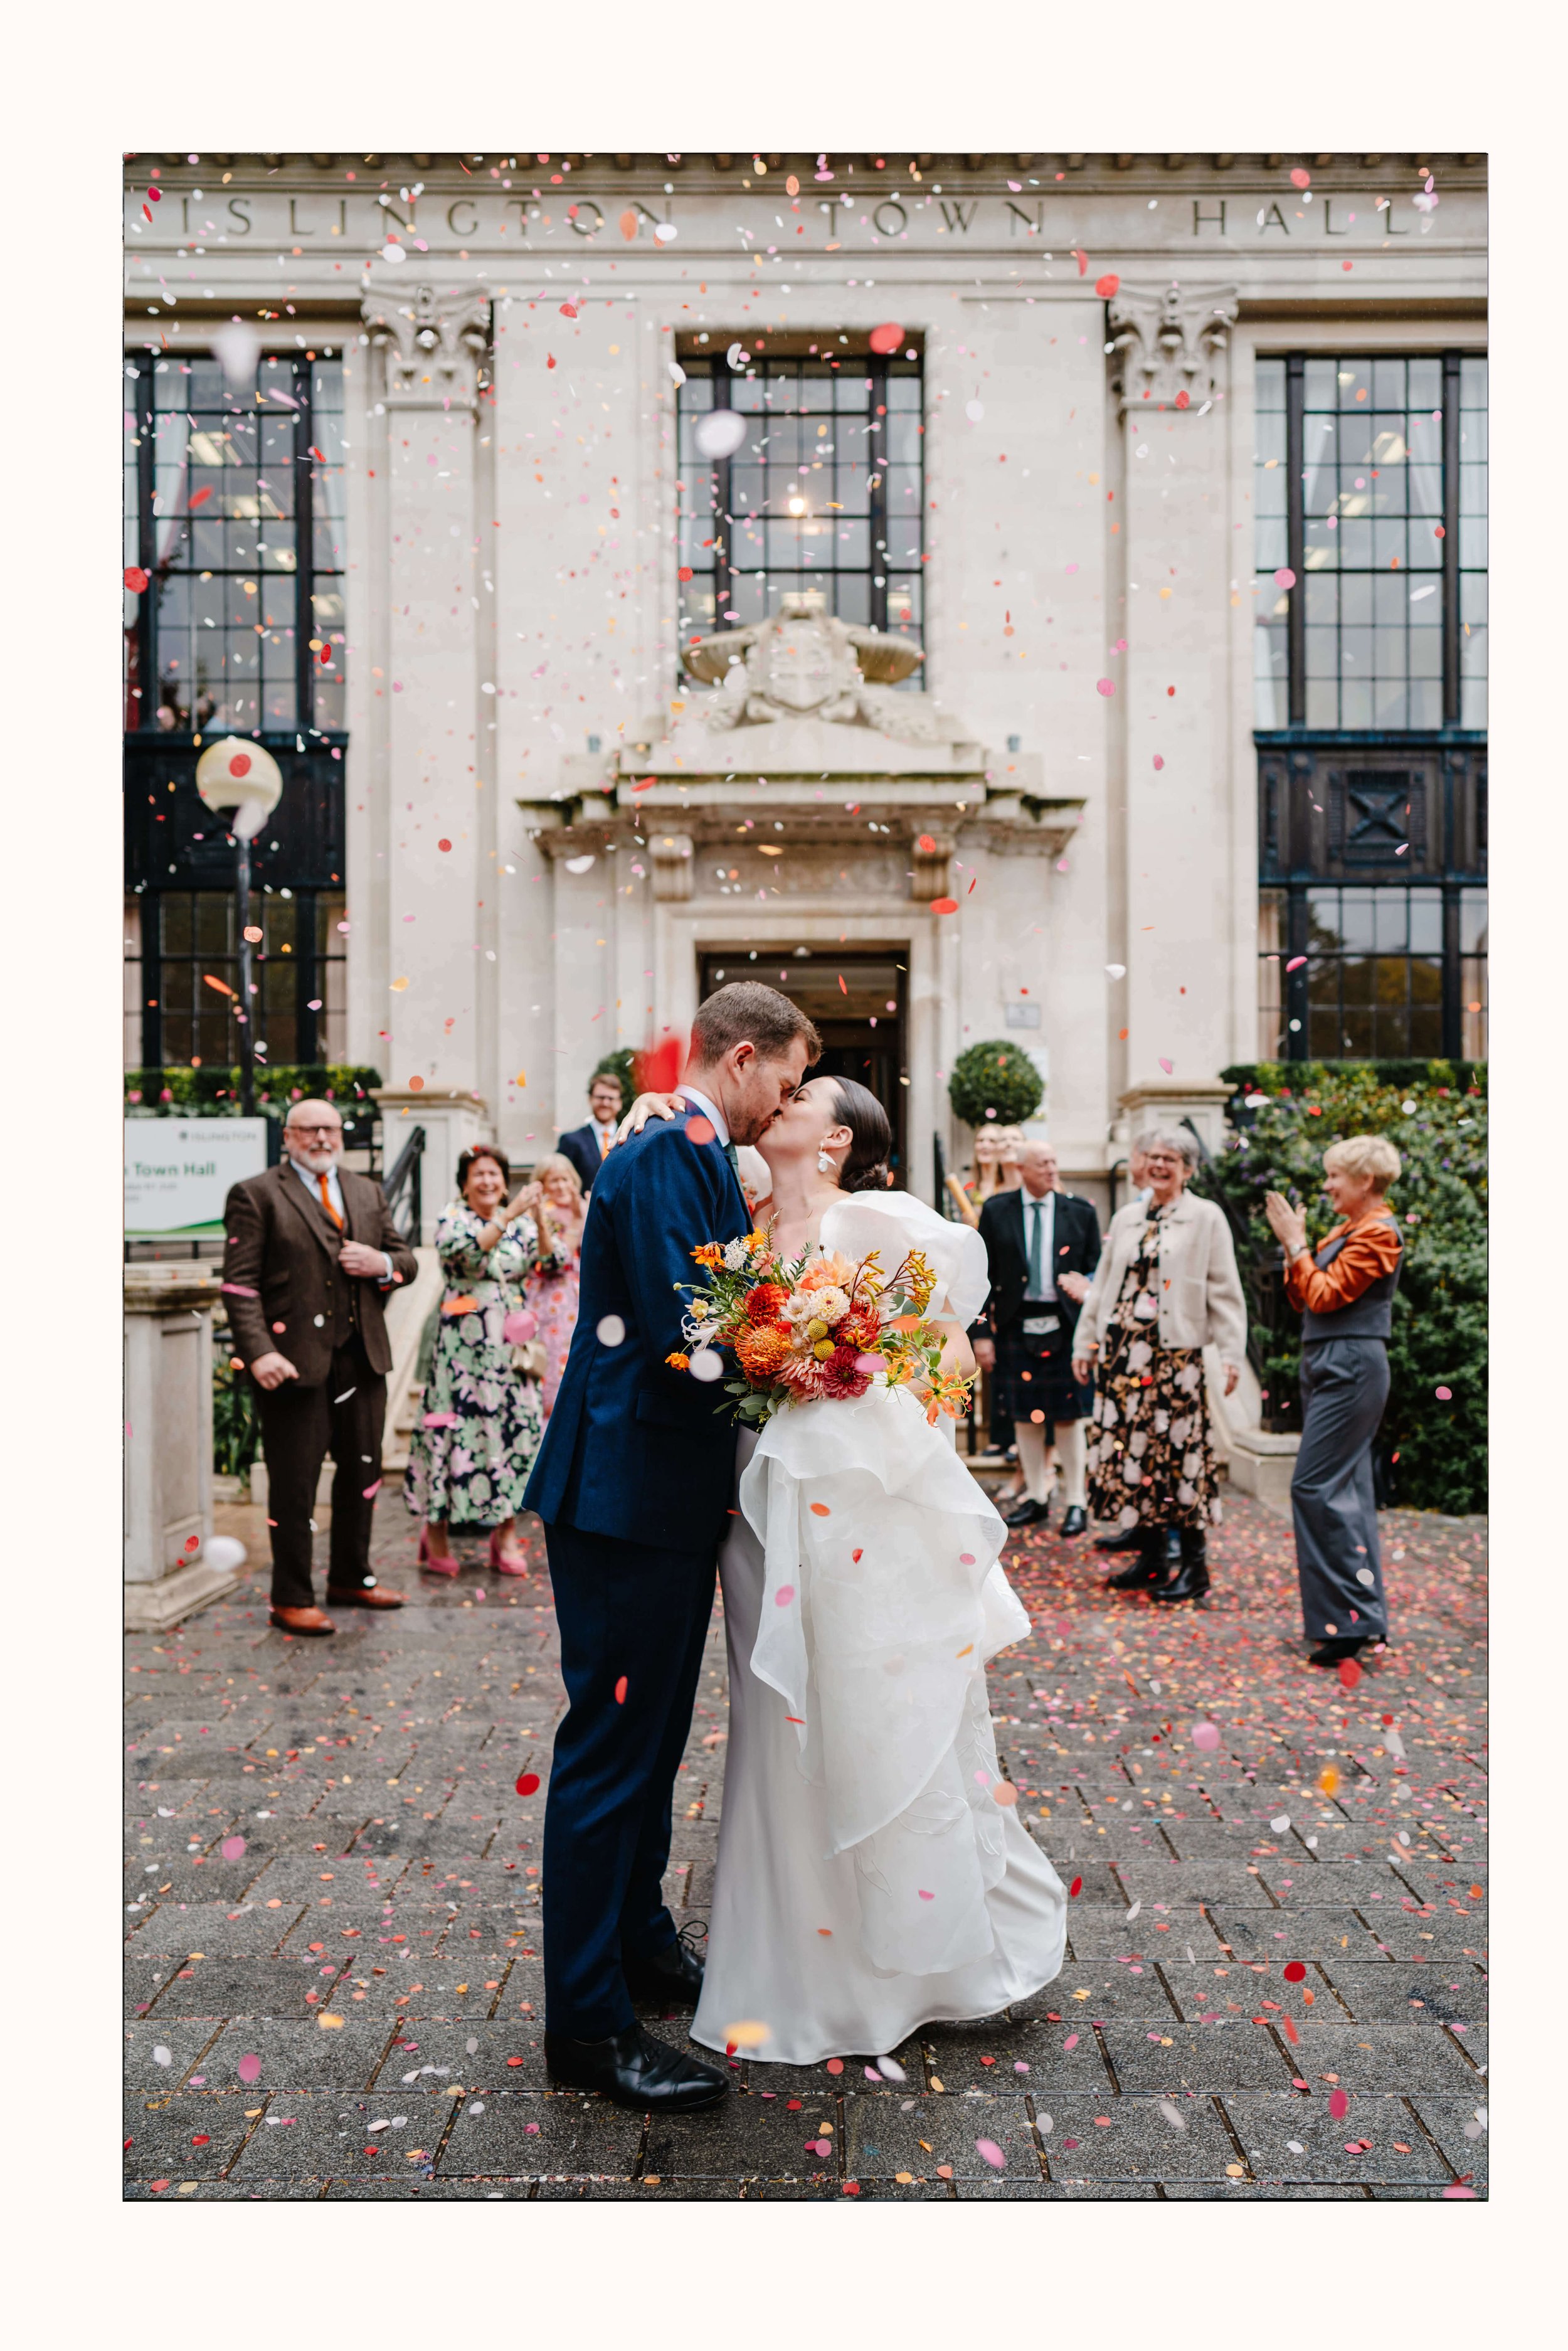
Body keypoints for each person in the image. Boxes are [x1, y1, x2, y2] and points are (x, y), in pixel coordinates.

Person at [621, 1074, 1067, 2070]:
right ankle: (780, 1963)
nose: (782, 1099)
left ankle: (887, 1967)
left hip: (846, 1511)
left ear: (836, 1141)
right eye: (779, 1086)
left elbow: (948, 1354)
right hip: (748, 1503)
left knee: (854, 1704)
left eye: (805, 1096)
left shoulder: (868, 1220)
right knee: (771, 1712)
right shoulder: (730, 1221)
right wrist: (649, 1111)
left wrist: (851, 1380)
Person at [522, 982, 820, 2115]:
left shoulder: (690, 1146)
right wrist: (795, 1357)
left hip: (658, 1496)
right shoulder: (664, 1156)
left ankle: (639, 1944)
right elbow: (680, 1336)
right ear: (741, 1058)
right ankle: (587, 2026)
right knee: (611, 1753)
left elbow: (708, 1317)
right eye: (784, 1082)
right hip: (623, 1496)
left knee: (646, 1749)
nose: (782, 1104)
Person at [221, 1100, 419, 1636]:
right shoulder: (256, 1194)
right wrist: (260, 1351)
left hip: (363, 1359)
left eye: (330, 1128)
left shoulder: (367, 1190)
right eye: (310, 1129)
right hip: (293, 1364)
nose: (322, 1138)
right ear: (288, 1136)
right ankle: (290, 1596)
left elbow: (406, 1261)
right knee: (294, 1483)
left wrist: (381, 1265)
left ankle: (352, 1577)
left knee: (362, 1475)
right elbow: (239, 1285)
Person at [1074, 1128, 1246, 1603]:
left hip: (1176, 1361)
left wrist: (1231, 1354)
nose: (1159, 1165)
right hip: (1124, 1358)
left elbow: (1226, 1291)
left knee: (1177, 1461)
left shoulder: (1205, 1216)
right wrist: (1084, 1342)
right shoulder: (1128, 1216)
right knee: (1135, 1456)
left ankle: (1195, 1567)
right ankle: (1152, 1560)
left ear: (1188, 1169)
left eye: (1171, 1158)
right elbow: (1105, 1282)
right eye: (1153, 1156)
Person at [1266, 1135, 1404, 1669]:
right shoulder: (1351, 1229)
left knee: (1315, 1486)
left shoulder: (1379, 1233)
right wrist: (1293, 1249)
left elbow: (1325, 1294)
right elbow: (1303, 1295)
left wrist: (1298, 1244)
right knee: (1344, 1486)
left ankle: (1350, 1621)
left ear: (1365, 1181)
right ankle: (1358, 1618)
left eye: (1335, 1177)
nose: (1326, 1187)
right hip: (1329, 1358)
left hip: (1351, 1362)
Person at [405, 1145, 563, 1576]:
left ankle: (506, 1534)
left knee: (513, 1432)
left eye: (495, 1174)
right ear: (464, 1182)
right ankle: (435, 1533)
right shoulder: (451, 1219)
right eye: (479, 1175)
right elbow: (468, 1256)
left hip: (510, 1351)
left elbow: (552, 1262)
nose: (488, 1182)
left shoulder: (519, 1223)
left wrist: (538, 1220)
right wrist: (510, 1214)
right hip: (462, 1352)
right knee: (452, 1432)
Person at [971, 1140, 1101, 1536]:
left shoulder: (1080, 1212)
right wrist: (982, 1333)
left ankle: (1076, 1500)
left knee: (1069, 1416)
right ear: (1022, 1168)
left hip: (1067, 1325)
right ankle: (1037, 1496)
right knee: (1025, 1417)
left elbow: (1097, 1272)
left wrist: (1090, 1303)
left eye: (1054, 1161)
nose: (1051, 1168)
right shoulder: (997, 1210)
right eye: (1043, 1163)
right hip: (1015, 1325)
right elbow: (981, 1276)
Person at [522, 1152, 588, 1418]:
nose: (561, 1187)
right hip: (549, 1302)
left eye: (566, 1180)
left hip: (581, 1297)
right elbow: (556, 1262)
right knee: (552, 1368)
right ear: (542, 1185)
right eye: (554, 1181)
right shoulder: (538, 1218)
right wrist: (575, 1223)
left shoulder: (586, 1209)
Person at [556, 1069, 626, 1194]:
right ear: (590, 1099)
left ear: (620, 1103)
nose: (605, 1103)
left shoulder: (631, 1137)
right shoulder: (571, 1141)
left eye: (611, 1098)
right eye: (600, 1097)